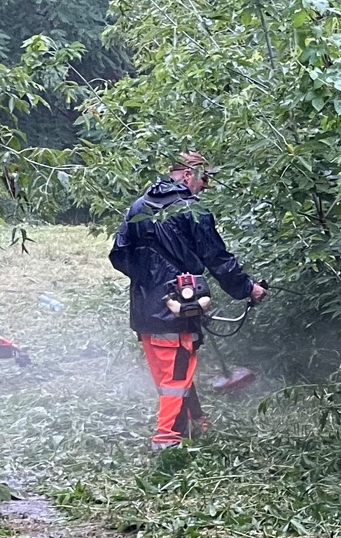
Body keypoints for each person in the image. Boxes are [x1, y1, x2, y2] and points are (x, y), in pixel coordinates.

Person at [109, 152, 266, 448]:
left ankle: (195, 423)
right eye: (204, 178)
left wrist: (149, 280)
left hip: (144, 310)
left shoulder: (138, 206)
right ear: (186, 174)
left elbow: (118, 255)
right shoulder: (193, 211)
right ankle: (167, 440)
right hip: (177, 310)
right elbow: (217, 258)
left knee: (172, 375)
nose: (205, 186)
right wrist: (248, 289)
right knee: (175, 378)